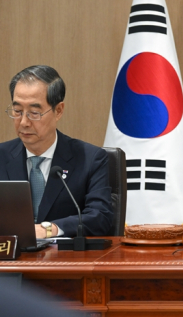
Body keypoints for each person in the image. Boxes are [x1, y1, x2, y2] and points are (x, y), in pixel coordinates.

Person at [0, 65, 112, 239]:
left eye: (34, 113)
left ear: (58, 110)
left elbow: (100, 217)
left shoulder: (91, 159)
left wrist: (47, 230)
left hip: (64, 261)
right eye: (17, 111)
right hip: (9, 260)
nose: (23, 122)